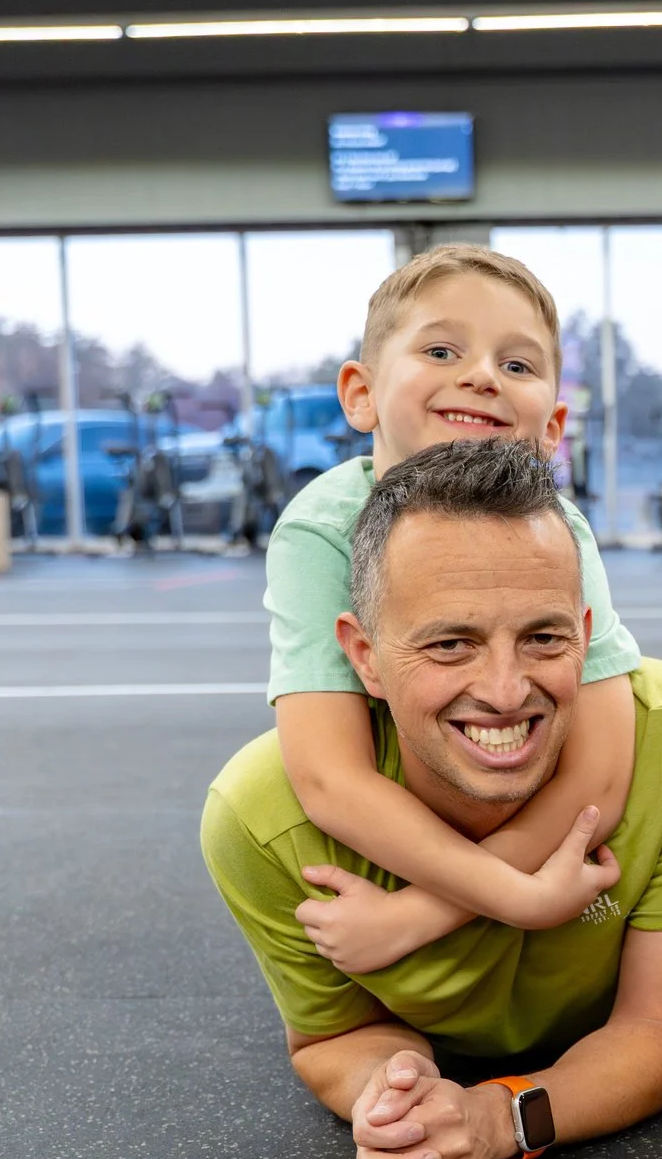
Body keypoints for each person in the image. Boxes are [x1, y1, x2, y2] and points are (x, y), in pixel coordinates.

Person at [202, 439, 662, 1159]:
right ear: (363, 656)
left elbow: (657, 1030)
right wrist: (399, 1099)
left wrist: (499, 1118)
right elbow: (333, 1040)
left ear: (588, 634)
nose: (503, 690)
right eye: (450, 643)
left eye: (544, 637)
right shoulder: (260, 821)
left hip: (633, 936)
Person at [267, 244, 638, 980]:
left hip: (523, 815)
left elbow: (598, 775)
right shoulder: (320, 529)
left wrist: (417, 915)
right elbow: (329, 778)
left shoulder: (556, 528)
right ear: (360, 393)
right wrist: (518, 896)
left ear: (552, 426)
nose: (481, 376)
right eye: (441, 349)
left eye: (519, 365)